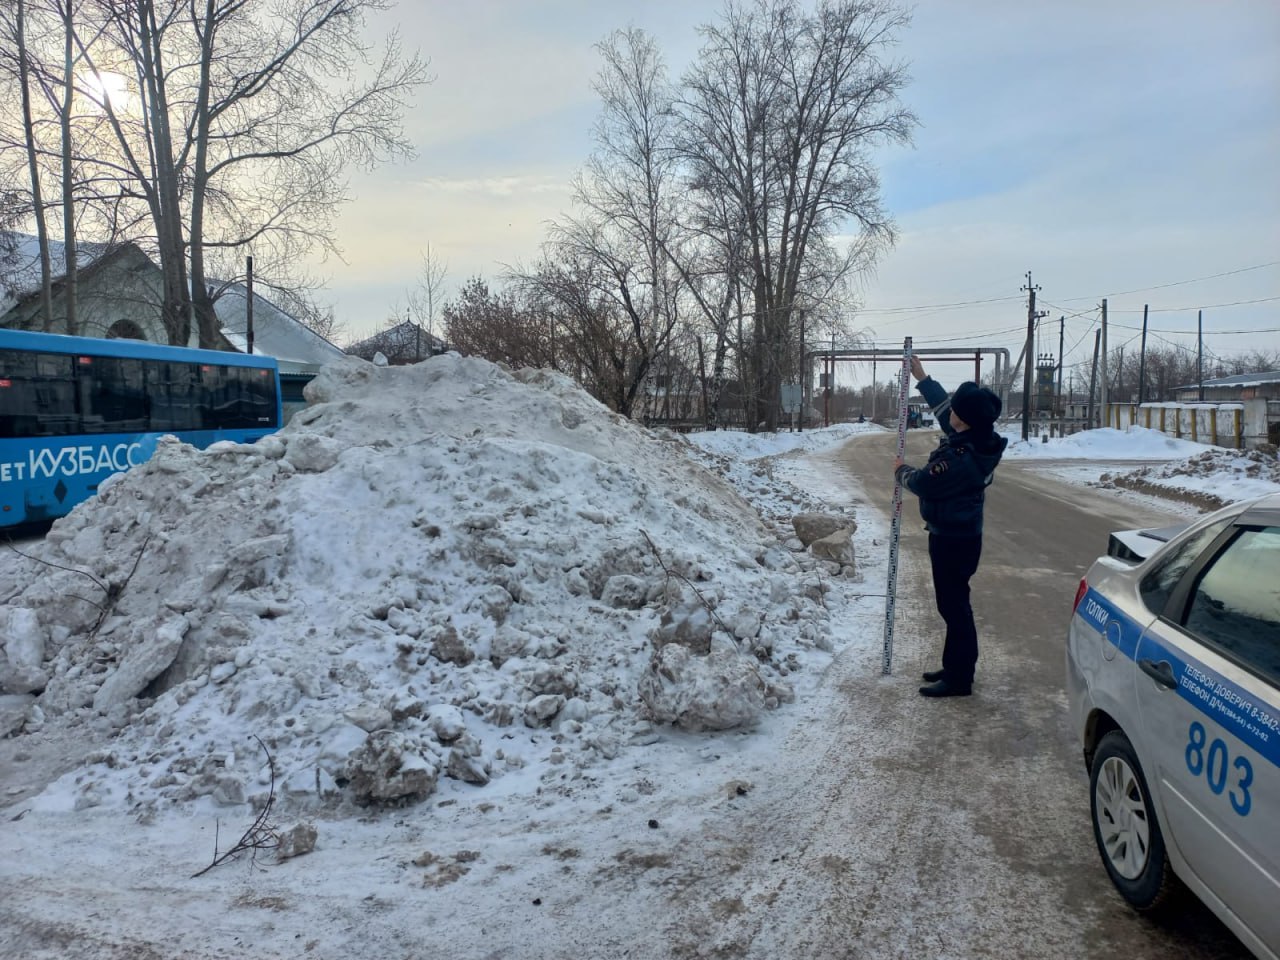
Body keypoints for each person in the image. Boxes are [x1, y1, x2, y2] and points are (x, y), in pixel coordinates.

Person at [893, 357, 1007, 698]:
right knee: (953, 604)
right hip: (958, 535)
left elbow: (925, 483)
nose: (949, 414)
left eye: (956, 411)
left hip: (954, 541)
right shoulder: (974, 439)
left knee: (954, 606)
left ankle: (960, 678)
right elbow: (946, 410)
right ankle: (955, 664)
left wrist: (900, 472)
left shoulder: (961, 460)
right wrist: (923, 378)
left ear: (966, 420)